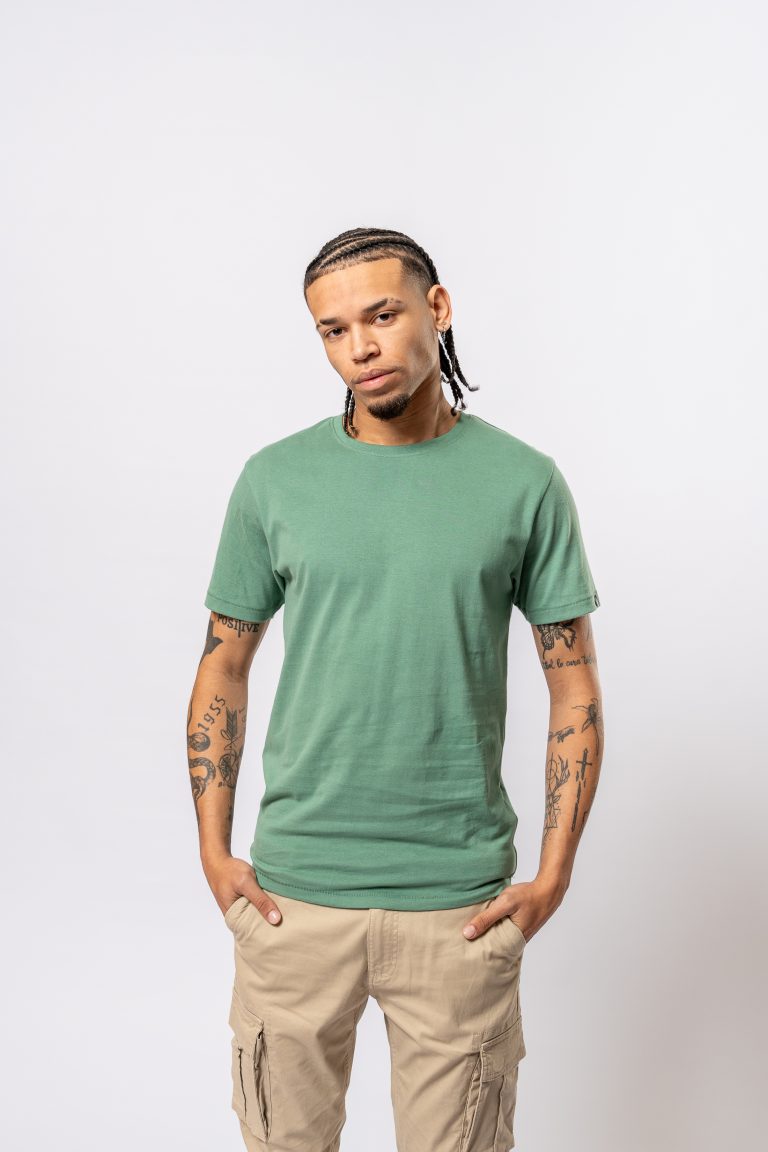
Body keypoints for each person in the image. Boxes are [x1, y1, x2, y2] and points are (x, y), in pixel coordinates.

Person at [187, 226, 604, 1152]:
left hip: (459, 908)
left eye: (381, 316)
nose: (360, 348)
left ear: (437, 308)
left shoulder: (524, 483)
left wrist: (553, 874)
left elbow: (573, 684)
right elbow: (223, 663)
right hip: (294, 900)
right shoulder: (274, 481)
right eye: (333, 331)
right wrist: (214, 853)